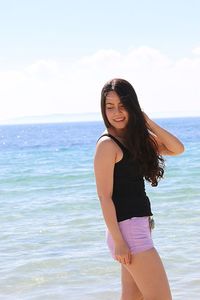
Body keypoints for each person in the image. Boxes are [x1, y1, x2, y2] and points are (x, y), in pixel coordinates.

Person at [94, 78, 184, 300]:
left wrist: (147, 121)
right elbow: (104, 197)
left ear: (133, 106)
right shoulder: (107, 145)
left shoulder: (134, 140)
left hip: (137, 227)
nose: (116, 113)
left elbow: (177, 148)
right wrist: (119, 241)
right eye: (110, 107)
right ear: (103, 110)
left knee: (133, 297)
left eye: (123, 106)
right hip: (127, 232)